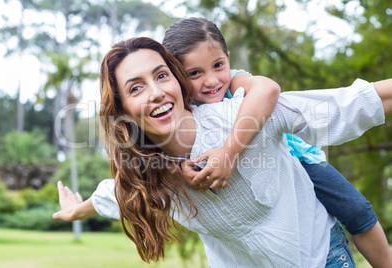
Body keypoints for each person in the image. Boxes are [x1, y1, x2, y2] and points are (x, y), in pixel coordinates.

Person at [53, 36, 392, 267]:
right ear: (123, 108)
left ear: (179, 82)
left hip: (322, 257)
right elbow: (113, 194)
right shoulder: (150, 175)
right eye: (137, 87)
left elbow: (351, 103)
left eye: (162, 75)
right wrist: (75, 211)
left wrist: (230, 150)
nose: (156, 92)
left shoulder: (242, 117)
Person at [161, 17, 392, 267]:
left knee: (356, 208)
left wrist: (229, 152)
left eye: (218, 65)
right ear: (176, 76)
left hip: (295, 157)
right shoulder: (178, 108)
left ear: (227, 57)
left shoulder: (235, 81)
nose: (212, 80)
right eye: (195, 73)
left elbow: (268, 89)